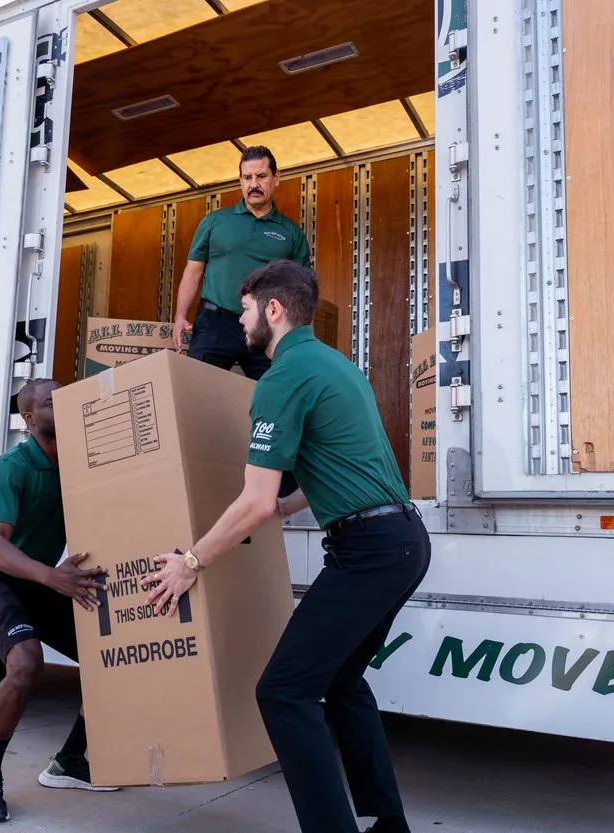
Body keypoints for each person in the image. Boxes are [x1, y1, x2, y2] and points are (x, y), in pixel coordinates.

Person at [141, 260, 431, 833]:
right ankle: (389, 823)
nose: (240, 319)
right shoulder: (334, 365)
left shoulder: (281, 377)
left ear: (273, 311)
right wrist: (280, 508)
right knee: (342, 682)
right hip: (400, 540)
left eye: (245, 309)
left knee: (283, 693)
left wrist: (191, 562)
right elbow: (334, 466)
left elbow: (251, 500)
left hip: (370, 550)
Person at [0, 378, 118, 824]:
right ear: (29, 418)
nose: (64, 405)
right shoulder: (12, 467)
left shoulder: (79, 463)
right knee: (26, 664)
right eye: (52, 402)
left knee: (109, 657)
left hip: (42, 583)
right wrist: (52, 576)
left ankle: (69, 762)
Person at [171, 146, 311, 381]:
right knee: (195, 389)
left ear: (276, 178)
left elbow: (302, 290)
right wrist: (180, 316)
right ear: (240, 181)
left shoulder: (291, 233)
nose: (253, 184)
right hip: (215, 321)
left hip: (265, 325)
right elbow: (193, 270)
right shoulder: (214, 222)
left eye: (261, 176)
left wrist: (303, 337)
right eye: (247, 178)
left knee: (275, 392)